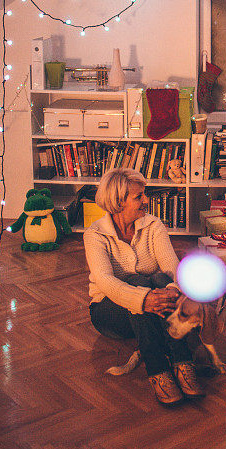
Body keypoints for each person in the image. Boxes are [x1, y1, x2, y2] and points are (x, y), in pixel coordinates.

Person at [84, 168, 204, 406]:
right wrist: (143, 298)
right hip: (110, 313)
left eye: (144, 194)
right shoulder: (95, 234)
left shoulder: (153, 225)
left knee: (162, 280)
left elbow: (172, 269)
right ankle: (159, 369)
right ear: (119, 202)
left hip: (155, 307)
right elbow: (105, 282)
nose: (147, 201)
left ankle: (182, 363)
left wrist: (174, 289)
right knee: (137, 282)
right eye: (139, 196)